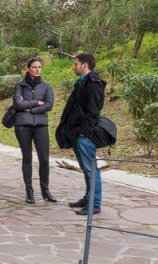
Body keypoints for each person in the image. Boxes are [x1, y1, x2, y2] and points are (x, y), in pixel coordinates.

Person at [56, 52, 106, 216]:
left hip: (84, 134)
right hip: (77, 132)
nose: (74, 67)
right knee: (86, 169)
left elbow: (93, 111)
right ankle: (88, 198)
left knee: (91, 170)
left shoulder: (93, 83)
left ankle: (95, 203)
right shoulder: (83, 82)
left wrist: (84, 132)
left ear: (85, 65)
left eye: (76, 64)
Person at [12, 56, 57, 205]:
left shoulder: (46, 86)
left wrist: (30, 109)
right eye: (34, 67)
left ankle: (45, 190)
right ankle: (29, 191)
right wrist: (37, 102)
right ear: (28, 69)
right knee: (27, 158)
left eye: (39, 67)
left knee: (44, 159)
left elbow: (49, 105)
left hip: (40, 126)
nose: (37, 69)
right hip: (23, 126)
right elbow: (18, 104)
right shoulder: (19, 86)